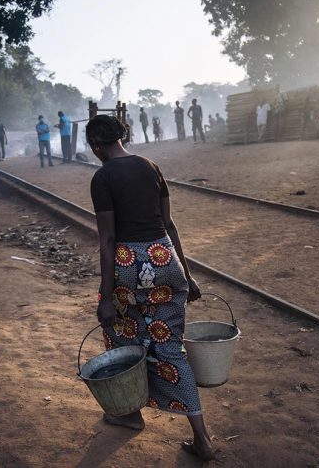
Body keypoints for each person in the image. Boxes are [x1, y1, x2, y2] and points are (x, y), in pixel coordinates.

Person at [87, 115, 215, 462]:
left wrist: (107, 295)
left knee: (125, 341)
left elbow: (108, 239)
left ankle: (129, 413)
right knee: (171, 349)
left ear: (96, 146)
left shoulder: (102, 177)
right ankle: (202, 438)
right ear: (122, 136)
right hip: (164, 258)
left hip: (130, 264)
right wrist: (186, 276)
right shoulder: (151, 166)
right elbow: (169, 225)